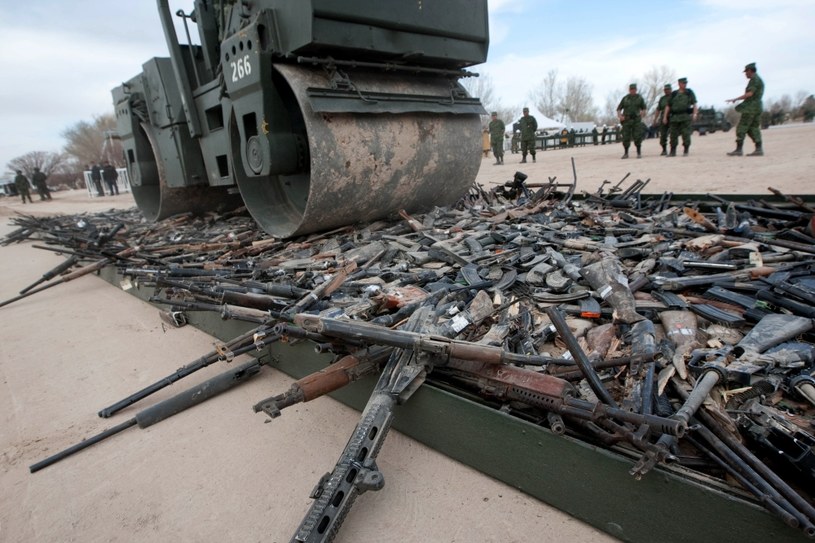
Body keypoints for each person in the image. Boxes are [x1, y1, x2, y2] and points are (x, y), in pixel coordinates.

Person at [726, 62, 765, 157]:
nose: (745, 74)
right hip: (757, 107)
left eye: (746, 72)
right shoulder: (758, 79)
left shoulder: (755, 80)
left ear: (750, 71)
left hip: (750, 108)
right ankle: (758, 149)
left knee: (741, 127)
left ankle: (739, 150)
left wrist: (736, 99)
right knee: (753, 128)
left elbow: (750, 94)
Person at [663, 77, 698, 157]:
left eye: (685, 83)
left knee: (686, 134)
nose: (685, 85)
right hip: (674, 117)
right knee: (673, 135)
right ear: (679, 84)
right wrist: (665, 117)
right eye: (683, 83)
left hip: (685, 116)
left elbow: (694, 104)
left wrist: (695, 114)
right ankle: (673, 151)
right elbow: (668, 106)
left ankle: (686, 150)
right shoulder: (674, 94)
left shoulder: (689, 92)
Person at [616, 83, 647, 159]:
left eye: (634, 89)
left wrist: (642, 114)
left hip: (636, 120)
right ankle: (626, 153)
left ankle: (638, 153)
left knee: (637, 136)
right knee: (625, 136)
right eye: (631, 89)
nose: (633, 91)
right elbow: (619, 109)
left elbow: (644, 108)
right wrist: (620, 116)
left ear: (636, 90)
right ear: (629, 90)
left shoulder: (639, 98)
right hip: (627, 120)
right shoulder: (625, 98)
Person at [653, 83, 672, 156]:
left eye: (668, 89)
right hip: (663, 117)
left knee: (673, 134)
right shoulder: (662, 99)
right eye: (665, 90)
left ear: (671, 90)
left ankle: (673, 149)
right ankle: (664, 149)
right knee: (663, 134)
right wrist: (655, 119)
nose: (666, 91)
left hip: (673, 117)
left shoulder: (674, 97)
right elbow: (658, 109)